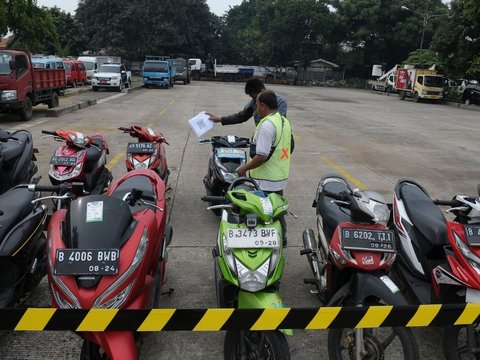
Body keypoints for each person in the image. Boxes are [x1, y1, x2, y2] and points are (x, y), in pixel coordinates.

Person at [236, 90, 292, 246]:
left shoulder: (267, 125)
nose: (255, 109)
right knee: (277, 211)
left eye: (257, 106)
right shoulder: (282, 121)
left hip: (264, 179)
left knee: (261, 212)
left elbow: (261, 156)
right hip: (278, 177)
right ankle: (282, 238)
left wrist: (243, 169)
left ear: (263, 105)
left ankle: (262, 243)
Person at [207, 78, 287, 126]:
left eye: (255, 97)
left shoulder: (280, 102)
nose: (256, 102)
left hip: (280, 144)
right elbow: (241, 116)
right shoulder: (254, 103)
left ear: (262, 91)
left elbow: (278, 124)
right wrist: (220, 119)